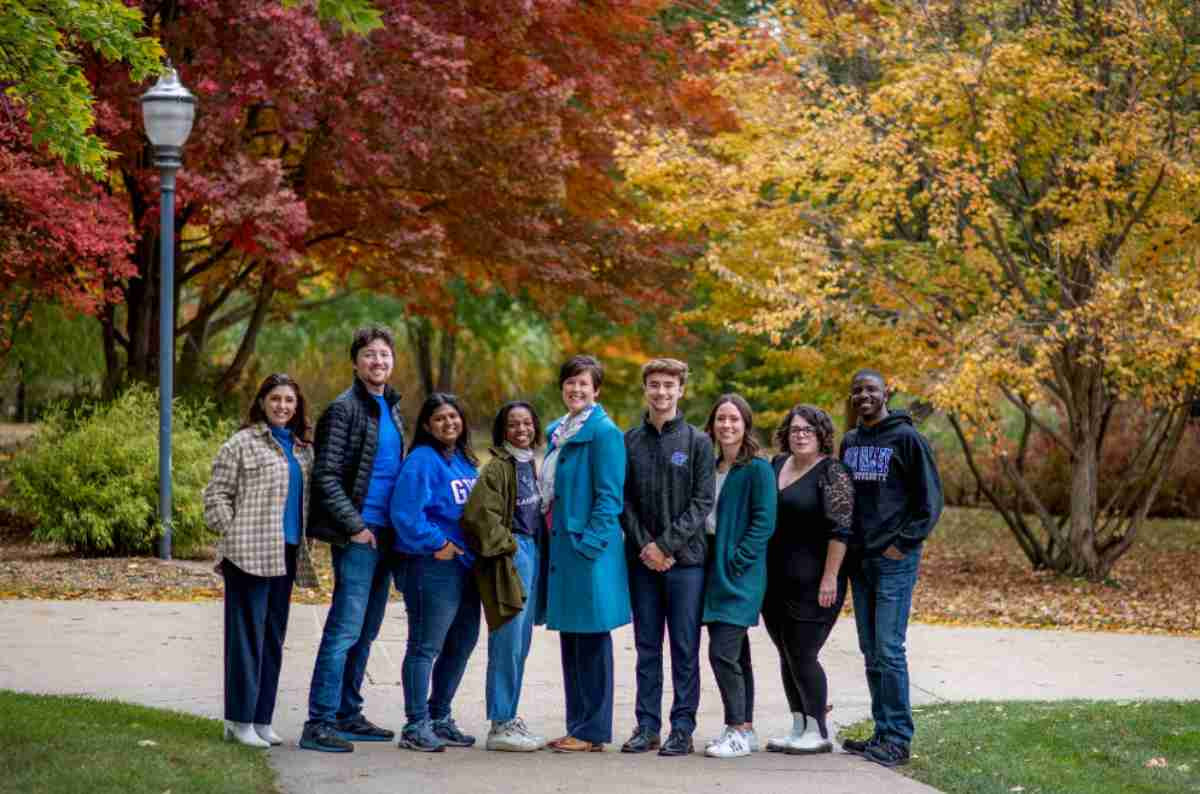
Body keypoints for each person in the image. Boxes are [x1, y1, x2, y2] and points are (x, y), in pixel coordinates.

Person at [300, 326, 405, 753]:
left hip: (386, 537)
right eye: (369, 355)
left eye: (384, 355)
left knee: (367, 631)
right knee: (344, 629)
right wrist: (355, 526)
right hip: (359, 536)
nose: (377, 362)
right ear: (356, 362)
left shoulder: (391, 407)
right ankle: (319, 721)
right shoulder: (343, 410)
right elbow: (325, 475)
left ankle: (348, 713)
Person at [204, 373, 318, 748]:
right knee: (246, 638)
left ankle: (261, 719)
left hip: (286, 553)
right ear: (262, 402)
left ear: (297, 406)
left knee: (272, 638)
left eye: (289, 400)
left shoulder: (302, 450)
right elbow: (215, 497)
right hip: (248, 554)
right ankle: (238, 721)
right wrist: (233, 533)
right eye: (275, 399)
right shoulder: (241, 443)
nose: (282, 406)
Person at [839, 370, 943, 767]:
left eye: (871, 389)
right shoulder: (850, 442)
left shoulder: (908, 439)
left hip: (894, 561)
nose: (864, 395)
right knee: (870, 650)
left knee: (888, 647)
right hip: (860, 561)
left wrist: (902, 545)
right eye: (858, 390)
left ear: (886, 394)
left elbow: (930, 501)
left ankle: (899, 738)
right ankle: (882, 732)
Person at [620, 358, 715, 757]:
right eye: (655, 385)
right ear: (646, 389)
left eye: (669, 385)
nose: (661, 392)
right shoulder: (629, 442)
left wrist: (667, 546)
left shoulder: (697, 442)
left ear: (681, 390)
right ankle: (646, 726)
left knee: (683, 646)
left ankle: (682, 727)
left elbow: (702, 501)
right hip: (642, 563)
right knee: (646, 647)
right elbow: (622, 500)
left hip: (686, 563)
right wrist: (647, 547)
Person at [541, 355, 631, 753]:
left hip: (587, 554)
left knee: (592, 644)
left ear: (596, 390)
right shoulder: (558, 433)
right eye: (570, 382)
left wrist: (588, 547)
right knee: (573, 643)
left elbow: (610, 498)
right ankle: (578, 727)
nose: (576, 389)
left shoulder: (605, 434)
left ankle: (592, 730)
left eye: (584, 383)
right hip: (563, 549)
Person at [390, 393, 482, 752]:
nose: (449, 423)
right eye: (440, 418)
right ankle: (415, 724)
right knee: (425, 646)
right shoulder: (421, 461)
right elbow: (405, 514)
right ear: (427, 425)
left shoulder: (462, 460)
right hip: (432, 565)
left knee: (462, 642)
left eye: (454, 417)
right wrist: (437, 543)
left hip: (466, 567)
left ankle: (439, 717)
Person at [762, 404, 854, 755]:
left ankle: (817, 730)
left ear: (821, 436)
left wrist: (830, 577)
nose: (801, 435)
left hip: (815, 582)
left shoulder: (832, 473)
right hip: (774, 581)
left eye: (809, 430)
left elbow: (841, 530)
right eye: (795, 429)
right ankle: (799, 724)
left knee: (803, 654)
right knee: (786, 654)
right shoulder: (774, 466)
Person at [462, 400, 547, 752]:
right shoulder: (498, 467)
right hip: (514, 555)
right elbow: (477, 515)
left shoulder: (533, 464)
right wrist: (509, 549)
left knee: (521, 642)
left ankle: (509, 715)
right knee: (507, 639)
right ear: (502, 430)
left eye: (527, 423)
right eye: (513, 424)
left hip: (534, 552)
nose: (522, 429)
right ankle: (499, 724)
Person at [700, 394, 776, 759]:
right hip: (711, 568)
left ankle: (735, 729)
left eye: (734, 419)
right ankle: (746, 729)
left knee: (722, 653)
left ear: (746, 425)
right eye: (720, 419)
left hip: (740, 573)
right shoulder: (711, 466)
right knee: (737, 654)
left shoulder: (758, 470)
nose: (726, 426)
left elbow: (764, 522)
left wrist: (738, 558)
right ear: (712, 425)